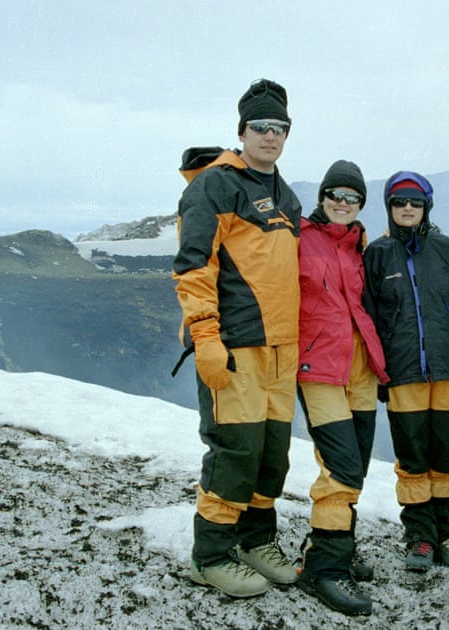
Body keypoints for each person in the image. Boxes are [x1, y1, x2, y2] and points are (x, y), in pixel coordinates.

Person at [171, 78, 302, 599]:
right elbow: (193, 266)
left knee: (272, 455)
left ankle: (255, 541)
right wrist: (206, 337)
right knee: (235, 452)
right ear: (242, 131)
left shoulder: (285, 195)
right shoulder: (215, 186)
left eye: (280, 128)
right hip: (236, 345)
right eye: (260, 127)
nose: (270, 136)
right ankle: (209, 556)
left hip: (281, 350)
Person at [363, 171, 449, 573]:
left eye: (416, 202)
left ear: (427, 207)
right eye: (399, 202)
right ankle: (420, 538)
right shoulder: (377, 254)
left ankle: (446, 536)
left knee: (444, 456)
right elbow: (370, 317)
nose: (407, 208)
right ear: (389, 206)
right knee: (412, 458)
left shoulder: (447, 250)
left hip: (448, 370)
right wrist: (378, 372)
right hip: (403, 371)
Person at [294, 159, 389, 616]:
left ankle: (335, 543)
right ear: (323, 196)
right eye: (336, 195)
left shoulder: (358, 243)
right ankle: (324, 568)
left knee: (358, 465)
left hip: (361, 368)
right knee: (342, 466)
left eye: (353, 198)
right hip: (317, 368)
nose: (343, 203)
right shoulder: (298, 237)